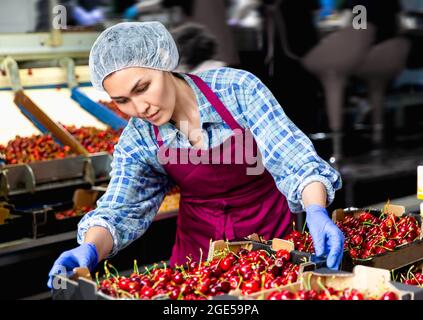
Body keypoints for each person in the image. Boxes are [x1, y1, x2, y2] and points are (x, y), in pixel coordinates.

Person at [47, 21, 344, 288]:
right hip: (196, 262)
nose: (140, 109)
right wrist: (89, 247)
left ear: (164, 61)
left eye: (143, 87)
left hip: (272, 248)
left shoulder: (237, 90)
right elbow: (121, 210)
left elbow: (295, 160)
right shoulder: (139, 139)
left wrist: (315, 210)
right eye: (123, 100)